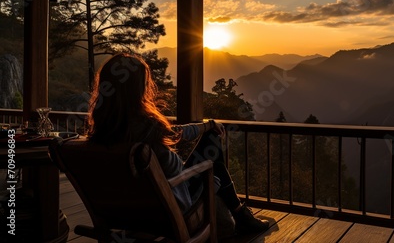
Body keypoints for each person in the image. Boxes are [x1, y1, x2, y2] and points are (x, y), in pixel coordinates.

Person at [86, 53, 269, 234]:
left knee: (209, 138)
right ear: (137, 89)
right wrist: (210, 128)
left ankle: (240, 215)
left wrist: (206, 126)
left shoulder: (99, 135)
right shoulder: (146, 128)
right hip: (173, 203)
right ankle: (241, 215)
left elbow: (176, 133)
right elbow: (176, 135)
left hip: (129, 211)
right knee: (215, 165)